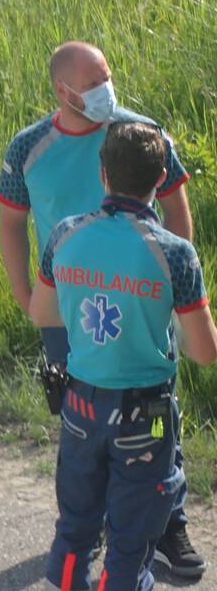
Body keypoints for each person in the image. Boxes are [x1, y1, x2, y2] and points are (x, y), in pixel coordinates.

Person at [0, 41, 204, 576]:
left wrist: (179, 284)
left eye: (106, 75)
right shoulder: (28, 149)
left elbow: (177, 203)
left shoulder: (139, 136)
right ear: (62, 91)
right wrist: (29, 299)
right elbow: (12, 225)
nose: (104, 89)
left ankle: (167, 522)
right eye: (92, 81)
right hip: (67, 312)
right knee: (83, 426)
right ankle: (94, 527)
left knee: (157, 419)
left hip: (142, 308)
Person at [30, 121, 217, 591]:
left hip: (80, 409)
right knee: (131, 542)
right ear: (159, 180)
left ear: (103, 174)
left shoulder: (65, 236)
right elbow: (204, 352)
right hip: (147, 417)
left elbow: (43, 313)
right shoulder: (176, 254)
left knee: (75, 530)